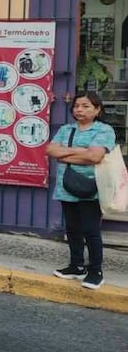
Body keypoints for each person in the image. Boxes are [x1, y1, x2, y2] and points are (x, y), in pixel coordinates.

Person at [46, 92, 114, 290]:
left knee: (91, 230)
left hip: (91, 187)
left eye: (85, 106)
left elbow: (95, 157)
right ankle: (76, 266)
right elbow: (51, 150)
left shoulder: (104, 130)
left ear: (97, 109)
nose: (80, 110)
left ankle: (95, 271)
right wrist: (83, 152)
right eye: (77, 106)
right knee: (73, 228)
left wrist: (65, 155)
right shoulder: (66, 129)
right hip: (67, 186)